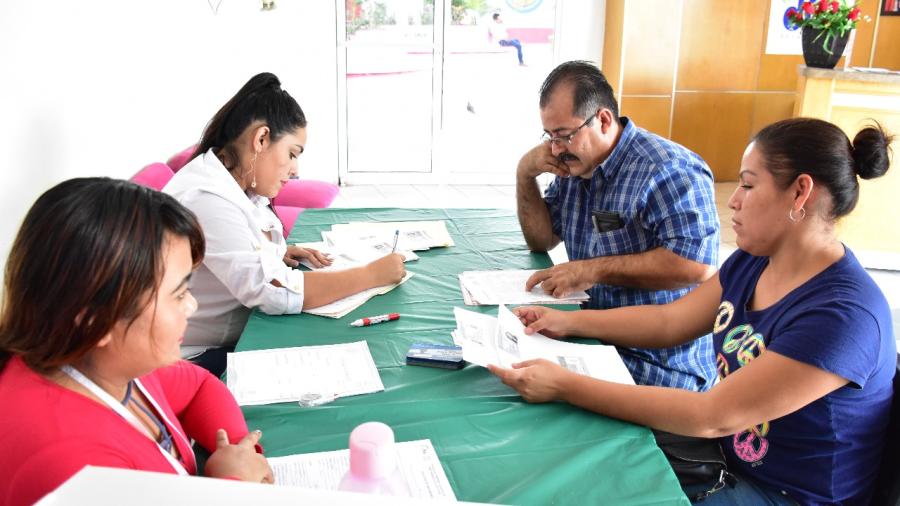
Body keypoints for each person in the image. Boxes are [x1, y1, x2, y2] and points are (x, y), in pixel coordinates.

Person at [495, 118, 896, 505]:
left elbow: (713, 415)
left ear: (800, 192)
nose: (734, 200)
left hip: (784, 494)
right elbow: (670, 321)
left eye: (748, 184)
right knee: (580, 457)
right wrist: (565, 320)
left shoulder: (844, 315)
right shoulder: (754, 262)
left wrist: (565, 385)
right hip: (725, 460)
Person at [0, 178, 273, 506]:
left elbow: (199, 386)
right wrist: (235, 484)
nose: (192, 306)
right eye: (179, 293)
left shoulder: (104, 359)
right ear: (95, 319)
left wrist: (237, 448)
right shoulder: (69, 464)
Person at [164, 72, 405, 376]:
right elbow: (275, 292)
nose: (295, 170)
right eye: (292, 154)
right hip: (194, 358)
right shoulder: (207, 198)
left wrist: (275, 252)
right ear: (261, 139)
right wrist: (371, 274)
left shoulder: (231, 181)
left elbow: (237, 246)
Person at [517, 60, 720, 391]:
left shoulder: (668, 170)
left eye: (564, 136)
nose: (555, 149)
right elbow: (541, 240)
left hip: (654, 362)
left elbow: (695, 265)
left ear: (603, 120)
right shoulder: (574, 163)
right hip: (589, 333)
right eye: (548, 136)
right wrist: (524, 174)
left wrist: (592, 270)